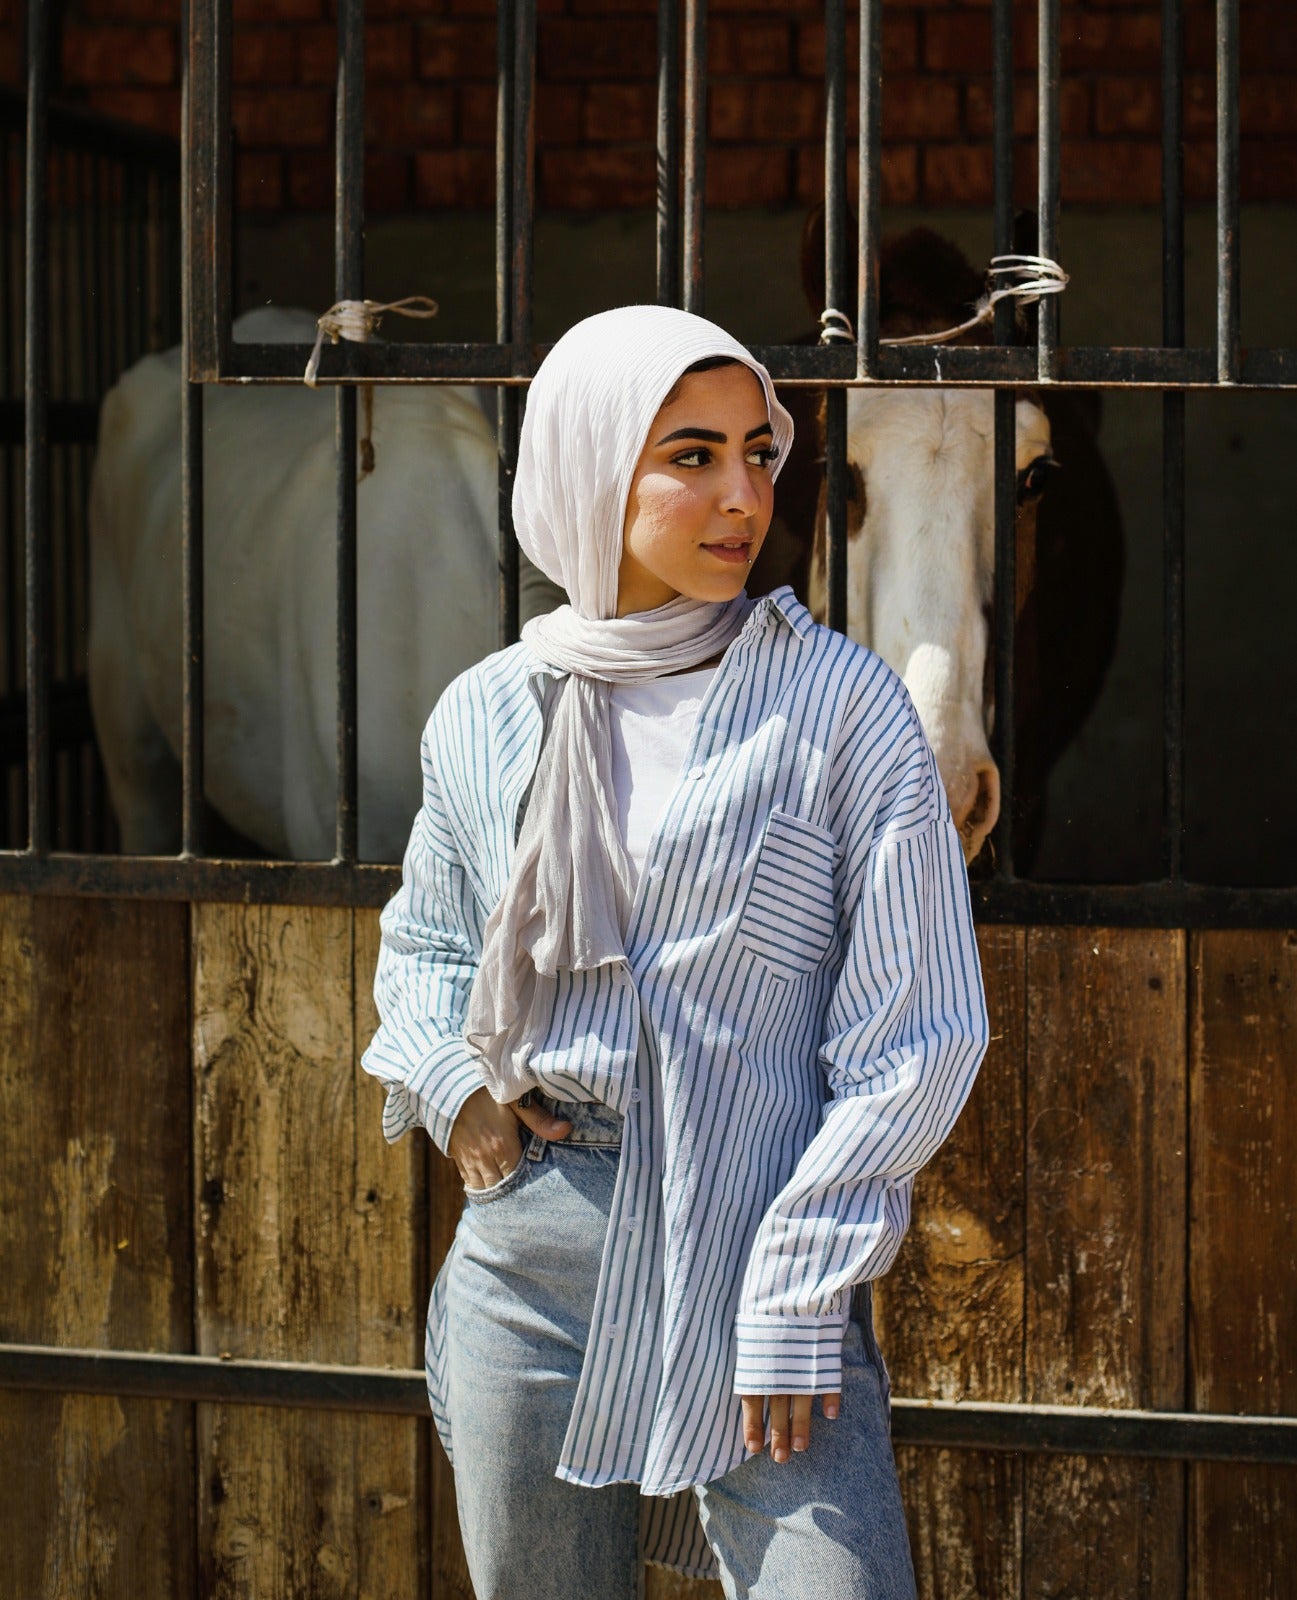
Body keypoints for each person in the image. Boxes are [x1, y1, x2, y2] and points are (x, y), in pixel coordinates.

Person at [362, 304, 989, 1600]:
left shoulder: (840, 706)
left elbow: (919, 1033)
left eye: (758, 454)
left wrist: (797, 1289)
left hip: (761, 1245)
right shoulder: (490, 710)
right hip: (530, 1268)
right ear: (590, 466)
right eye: (688, 456)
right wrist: (455, 1088)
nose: (739, 495)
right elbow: (423, 939)